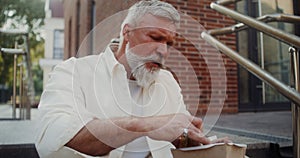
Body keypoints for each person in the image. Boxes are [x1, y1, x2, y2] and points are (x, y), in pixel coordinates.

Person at [35, 0, 229, 157]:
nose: (163, 51)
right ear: (127, 33)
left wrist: (206, 145)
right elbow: (54, 138)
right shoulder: (73, 72)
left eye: (169, 43)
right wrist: (147, 125)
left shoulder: (168, 81)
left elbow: (180, 137)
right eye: (154, 37)